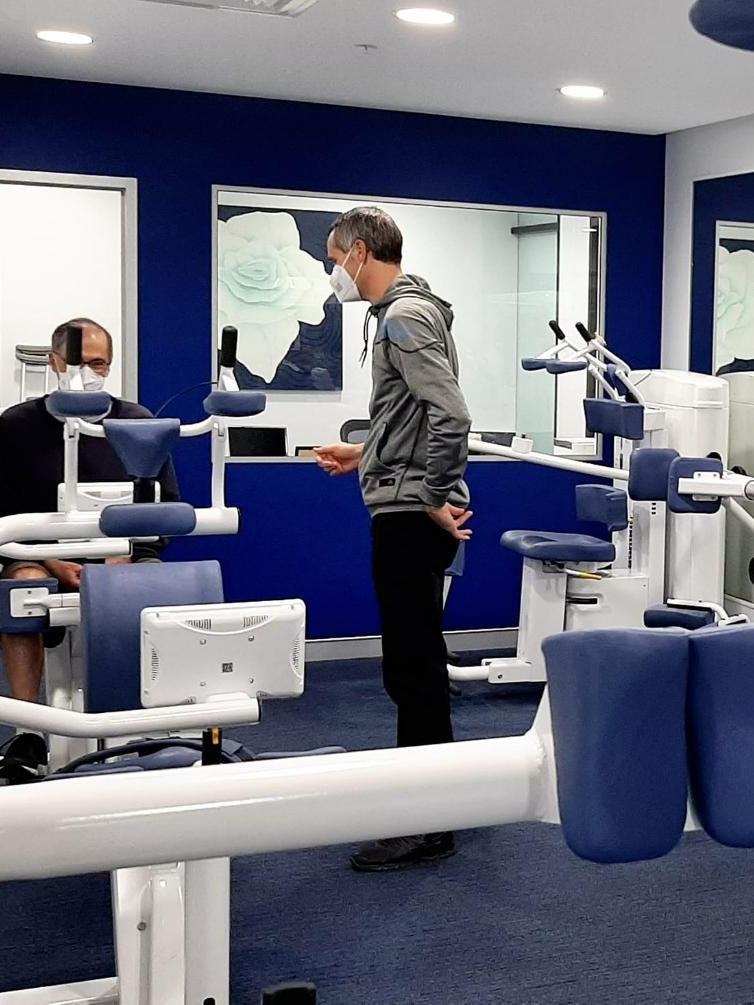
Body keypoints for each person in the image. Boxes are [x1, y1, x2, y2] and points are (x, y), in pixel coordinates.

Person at [312, 206, 473, 873]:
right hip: (406, 503)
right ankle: (438, 798)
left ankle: (425, 823)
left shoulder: (404, 318)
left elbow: (452, 414)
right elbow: (410, 412)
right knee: (419, 661)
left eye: (333, 257)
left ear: (359, 252)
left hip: (411, 515)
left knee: (411, 667)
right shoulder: (415, 310)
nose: (332, 272)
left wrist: (432, 494)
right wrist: (363, 450)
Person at [0, 317, 180, 782]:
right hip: (41, 556)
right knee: (22, 588)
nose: (87, 373)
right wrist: (51, 559)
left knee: (142, 587)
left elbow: (166, 508)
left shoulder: (136, 422)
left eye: (98, 364)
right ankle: (28, 730)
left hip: (123, 554)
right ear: (54, 362)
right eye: (76, 362)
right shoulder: (16, 426)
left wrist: (125, 552)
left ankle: (139, 725)